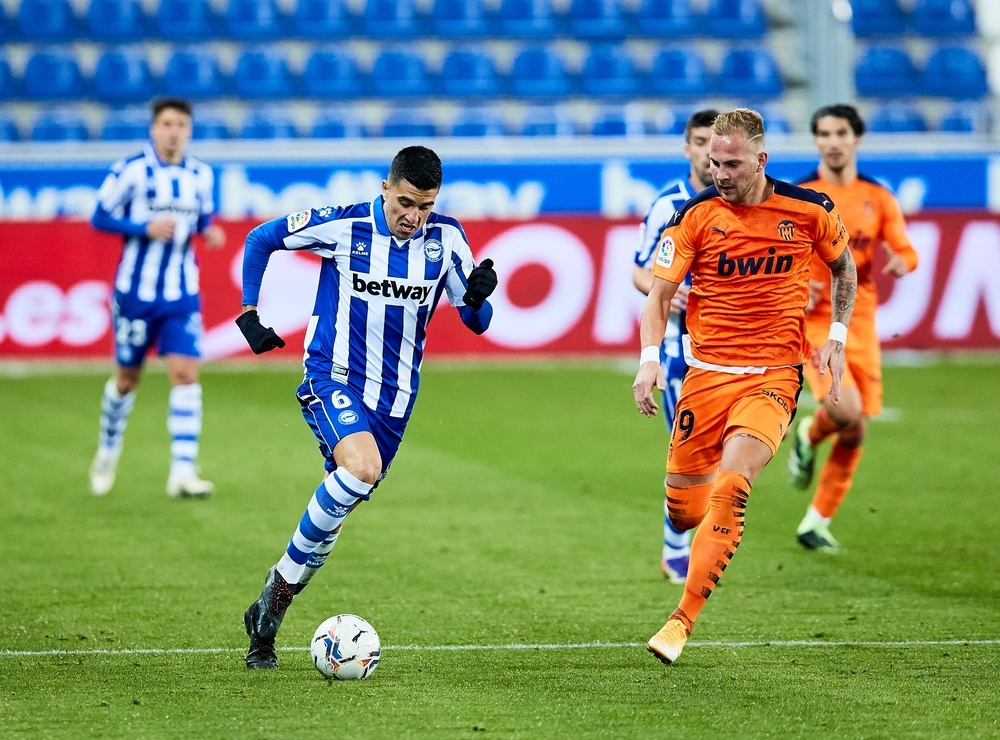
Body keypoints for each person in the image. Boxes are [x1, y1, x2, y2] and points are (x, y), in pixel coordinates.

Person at [235, 146, 498, 669]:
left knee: (340, 507)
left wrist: (478, 297)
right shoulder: (345, 225)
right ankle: (276, 592)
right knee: (361, 467)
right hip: (331, 376)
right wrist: (248, 310)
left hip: (395, 403)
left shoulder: (446, 240)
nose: (413, 216)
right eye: (405, 202)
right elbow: (260, 238)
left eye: (424, 206)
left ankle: (270, 606)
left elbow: (477, 321)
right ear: (385, 186)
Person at [633, 108, 857, 665]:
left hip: (773, 377)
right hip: (705, 377)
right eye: (713, 162)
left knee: (734, 484)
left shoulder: (810, 210)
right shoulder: (692, 216)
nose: (720, 173)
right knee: (686, 510)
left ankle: (680, 621)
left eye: (731, 163)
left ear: (761, 160)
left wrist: (836, 335)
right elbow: (658, 295)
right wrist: (647, 360)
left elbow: (843, 268)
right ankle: (689, 533)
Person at [788, 104, 919, 552]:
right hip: (816, 323)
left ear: (856, 138)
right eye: (823, 133)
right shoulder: (800, 195)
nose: (832, 141)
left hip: (860, 320)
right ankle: (809, 433)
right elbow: (778, 254)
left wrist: (903, 261)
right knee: (844, 411)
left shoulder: (877, 197)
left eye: (840, 132)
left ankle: (816, 522)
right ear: (816, 141)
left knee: (857, 428)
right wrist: (796, 283)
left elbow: (905, 247)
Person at [88, 97, 225, 498]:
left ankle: (182, 470)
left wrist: (210, 231)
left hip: (182, 291)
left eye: (181, 124)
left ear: (189, 130)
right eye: (167, 123)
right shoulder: (132, 170)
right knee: (127, 379)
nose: (173, 131)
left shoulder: (201, 174)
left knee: (185, 374)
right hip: (136, 292)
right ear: (154, 128)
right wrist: (142, 227)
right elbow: (99, 216)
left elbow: (202, 218)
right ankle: (108, 448)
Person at [633, 108, 719, 584]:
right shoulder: (669, 205)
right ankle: (676, 547)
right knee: (690, 449)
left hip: (730, 343)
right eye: (701, 140)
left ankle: (691, 540)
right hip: (676, 343)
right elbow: (639, 270)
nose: (710, 150)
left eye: (717, 140)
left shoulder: (746, 202)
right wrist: (665, 288)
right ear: (687, 147)